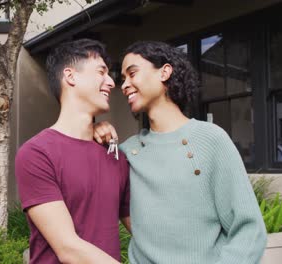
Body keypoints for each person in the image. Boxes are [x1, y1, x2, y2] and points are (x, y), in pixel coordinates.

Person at [93, 41, 267, 264]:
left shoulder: (211, 139)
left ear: (165, 72)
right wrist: (94, 132)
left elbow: (249, 230)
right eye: (123, 79)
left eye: (132, 73)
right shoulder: (127, 152)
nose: (125, 85)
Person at [15, 39, 131, 264]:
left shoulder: (114, 153)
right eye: (101, 72)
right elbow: (68, 248)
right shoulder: (36, 153)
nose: (111, 82)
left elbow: (138, 226)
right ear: (70, 76)